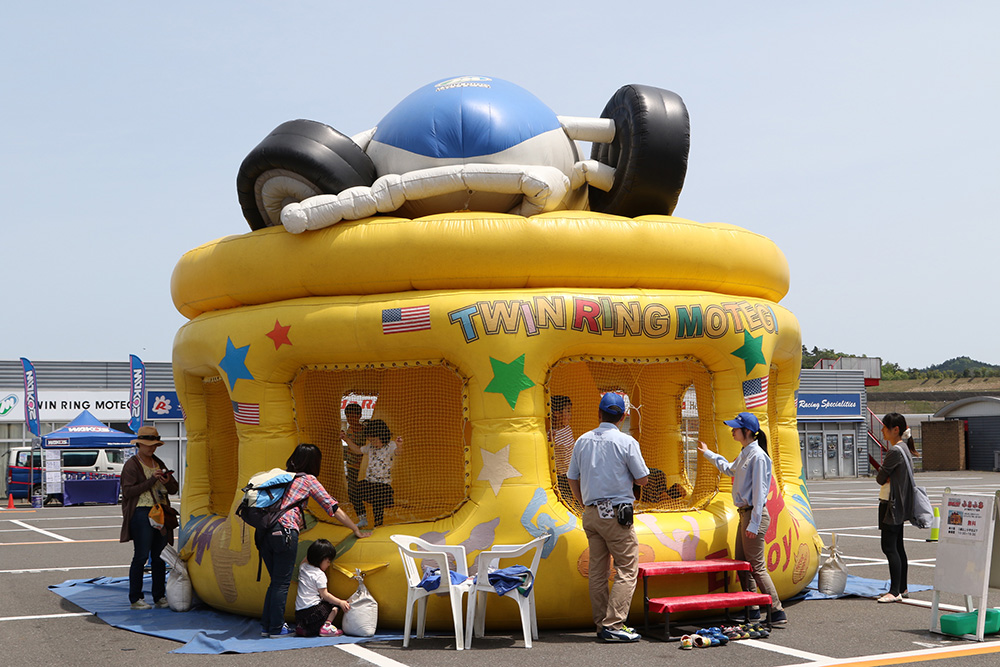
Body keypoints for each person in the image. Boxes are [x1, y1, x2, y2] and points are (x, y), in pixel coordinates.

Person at [257, 443, 366, 638]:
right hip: (284, 531)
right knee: (281, 583)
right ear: (314, 462)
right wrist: (355, 528)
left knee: (275, 582)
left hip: (263, 532)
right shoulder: (307, 480)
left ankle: (267, 626)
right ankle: (276, 628)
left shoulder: (281, 477)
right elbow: (332, 508)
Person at [567, 392, 649, 643]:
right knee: (627, 568)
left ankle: (602, 624)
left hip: (591, 513)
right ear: (623, 417)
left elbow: (571, 477)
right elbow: (643, 479)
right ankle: (614, 624)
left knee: (598, 571)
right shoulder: (626, 441)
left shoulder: (582, 440)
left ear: (599, 413)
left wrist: (583, 502)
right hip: (617, 514)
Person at [698, 412, 787, 625]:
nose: (732, 431)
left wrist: (754, 523)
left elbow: (760, 492)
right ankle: (751, 607)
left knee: (756, 566)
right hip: (745, 514)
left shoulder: (758, 456)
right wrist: (708, 453)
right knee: (742, 562)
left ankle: (776, 611)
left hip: (753, 514)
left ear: (747, 431)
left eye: (735, 428)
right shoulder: (746, 453)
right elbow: (729, 469)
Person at [120, 425, 179, 610]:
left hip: (160, 512)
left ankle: (159, 596)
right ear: (139, 444)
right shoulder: (132, 464)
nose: (152, 448)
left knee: (160, 556)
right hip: (141, 512)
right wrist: (152, 479)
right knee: (141, 556)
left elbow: (174, 489)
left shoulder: (158, 462)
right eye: (148, 445)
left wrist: (167, 481)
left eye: (154, 445)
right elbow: (128, 492)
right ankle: (136, 598)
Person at [874, 413, 917, 603]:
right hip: (899, 504)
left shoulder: (895, 451)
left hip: (890, 504)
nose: (882, 430)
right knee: (898, 546)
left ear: (896, 429)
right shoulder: (904, 448)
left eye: (885, 427)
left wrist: (886, 475)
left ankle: (894, 591)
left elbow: (880, 478)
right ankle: (902, 587)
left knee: (889, 547)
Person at [348, 419, 402, 528]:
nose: (373, 443)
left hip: (383, 485)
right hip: (369, 482)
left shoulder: (390, 445)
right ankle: (363, 518)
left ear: (382, 436)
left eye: (374, 440)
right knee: (353, 491)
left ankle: (378, 524)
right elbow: (357, 450)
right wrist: (346, 439)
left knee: (377, 498)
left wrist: (399, 445)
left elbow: (397, 452)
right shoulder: (370, 447)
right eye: (370, 440)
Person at [294, 538, 350, 637]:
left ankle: (303, 628)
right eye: (328, 561)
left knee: (316, 614)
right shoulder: (319, 575)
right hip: (313, 611)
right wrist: (340, 602)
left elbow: (306, 558)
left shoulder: (303, 567)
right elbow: (325, 595)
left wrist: (315, 550)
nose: (329, 564)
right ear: (320, 559)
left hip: (299, 614)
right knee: (334, 605)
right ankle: (326, 626)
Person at [340, 402, 366, 526]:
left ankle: (368, 514)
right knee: (353, 492)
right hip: (352, 466)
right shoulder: (349, 430)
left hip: (363, 467)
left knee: (363, 491)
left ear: (360, 416)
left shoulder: (365, 430)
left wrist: (346, 439)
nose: (351, 419)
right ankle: (362, 516)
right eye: (348, 416)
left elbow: (360, 450)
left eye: (354, 416)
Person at [550, 395, 575, 500]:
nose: (570, 415)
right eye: (567, 411)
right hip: (561, 476)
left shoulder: (567, 429)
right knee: (565, 498)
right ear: (556, 413)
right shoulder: (551, 434)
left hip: (572, 472)